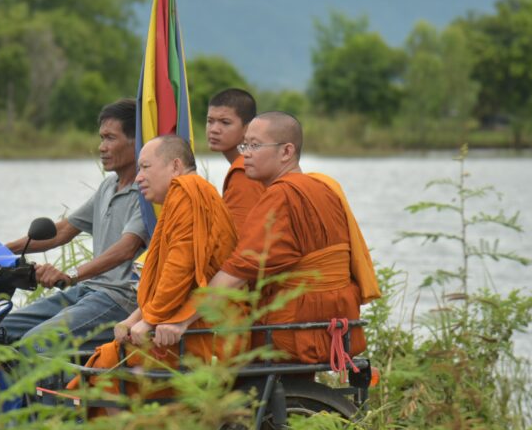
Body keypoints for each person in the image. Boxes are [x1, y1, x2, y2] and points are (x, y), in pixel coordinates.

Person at [155, 112, 381, 364]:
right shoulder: (324, 187)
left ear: (286, 151)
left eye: (254, 145)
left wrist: (181, 320)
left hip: (295, 322)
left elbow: (237, 272)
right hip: (336, 315)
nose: (246, 153)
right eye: (245, 145)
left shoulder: (282, 196)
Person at [71, 134, 238, 396]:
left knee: (105, 368)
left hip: (199, 328)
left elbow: (179, 270)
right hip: (181, 321)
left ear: (174, 166)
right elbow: (167, 274)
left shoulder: (187, 192)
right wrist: (135, 317)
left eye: (146, 167)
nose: (138, 178)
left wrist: (149, 321)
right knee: (105, 359)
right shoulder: (181, 197)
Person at [0, 99, 148, 348]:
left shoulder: (146, 193)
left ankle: (37, 387)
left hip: (118, 299)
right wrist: (3, 251)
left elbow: (126, 248)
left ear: (136, 143)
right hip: (88, 291)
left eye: (110, 138)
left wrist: (71, 275)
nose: (101, 147)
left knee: (34, 343)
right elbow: (62, 231)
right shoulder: (108, 186)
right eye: (101, 138)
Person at [205, 88, 265, 232]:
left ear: (247, 128)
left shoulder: (246, 171)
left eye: (225, 122)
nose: (214, 129)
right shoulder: (252, 161)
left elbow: (239, 237)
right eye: (210, 121)